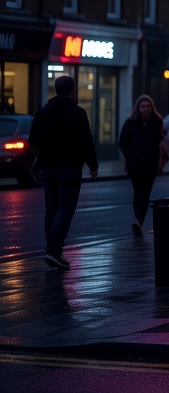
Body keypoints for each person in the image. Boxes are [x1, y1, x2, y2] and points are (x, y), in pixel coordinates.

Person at [30, 75, 98, 270]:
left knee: (51, 209)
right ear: (73, 91)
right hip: (69, 168)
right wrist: (92, 165)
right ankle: (53, 250)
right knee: (64, 209)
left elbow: (33, 141)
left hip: (47, 167)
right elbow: (86, 141)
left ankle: (53, 250)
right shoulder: (77, 113)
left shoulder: (42, 113)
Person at [120, 94, 166, 236]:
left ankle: (138, 221)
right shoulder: (130, 122)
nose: (145, 109)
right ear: (138, 108)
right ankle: (138, 220)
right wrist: (129, 155)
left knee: (145, 192)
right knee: (138, 192)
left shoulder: (157, 122)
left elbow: (162, 139)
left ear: (152, 108)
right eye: (143, 106)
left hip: (150, 163)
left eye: (148, 106)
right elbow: (122, 141)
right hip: (134, 164)